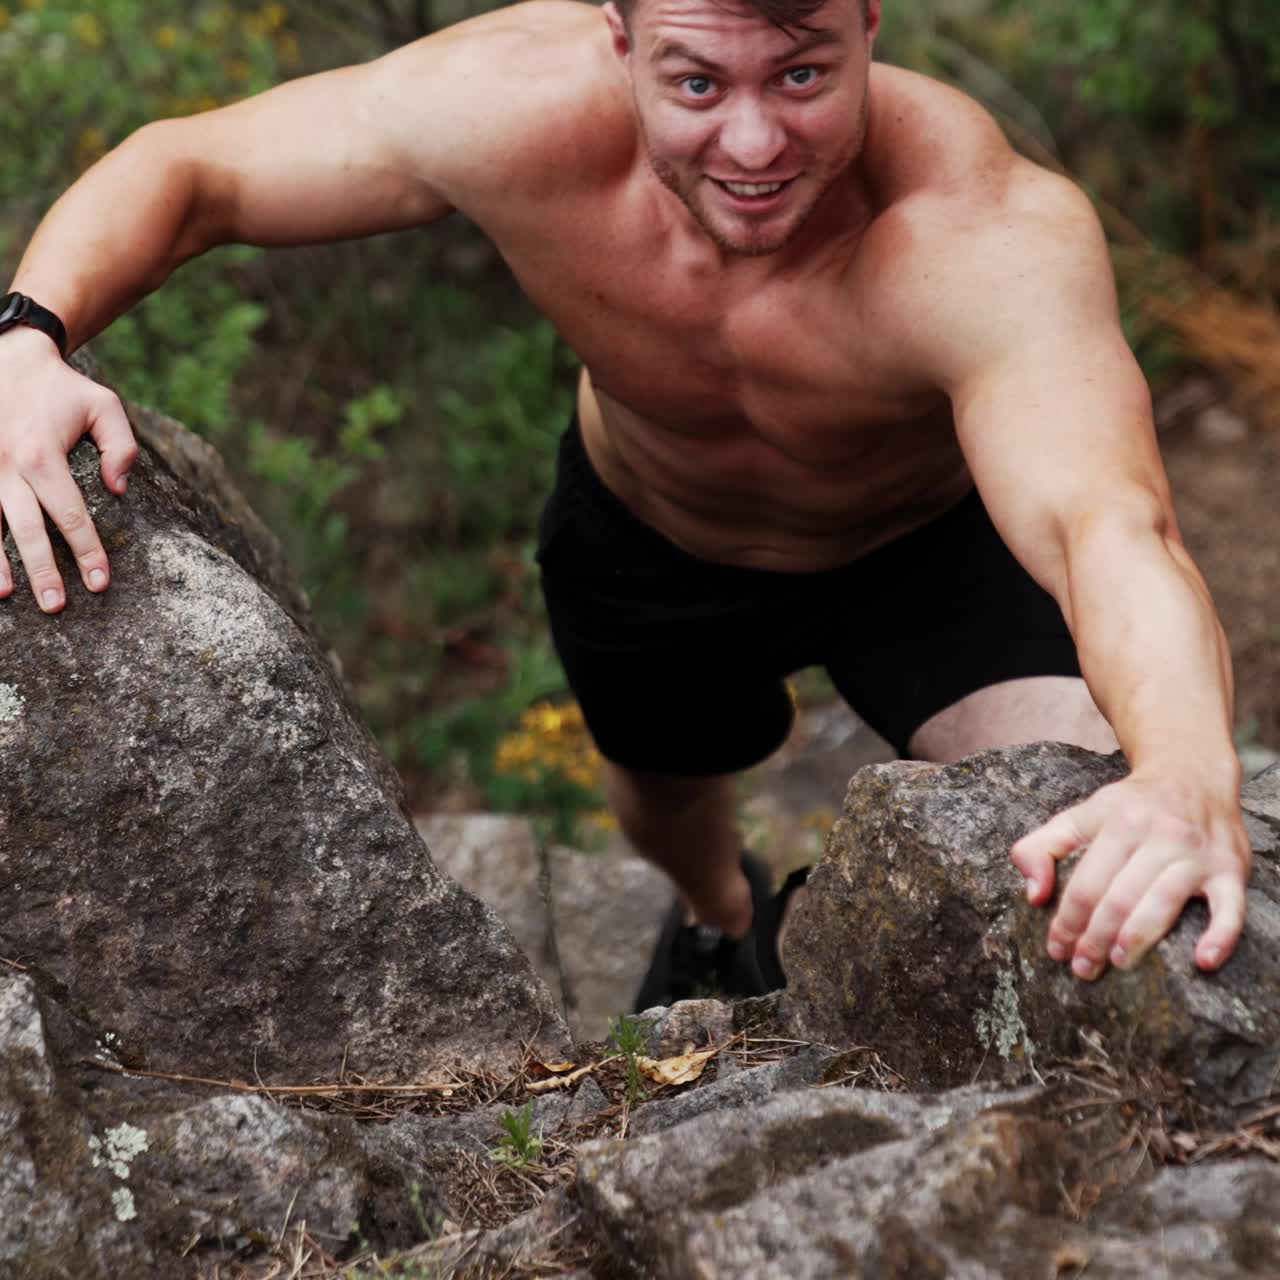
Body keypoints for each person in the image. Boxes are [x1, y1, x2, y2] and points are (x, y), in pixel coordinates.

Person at [0, 0, 1251, 1006]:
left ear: (869, 22)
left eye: (802, 77)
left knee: (1090, 817)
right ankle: (720, 917)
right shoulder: (512, 104)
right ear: (618, 35)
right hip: (652, 536)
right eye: (697, 83)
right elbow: (196, 168)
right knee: (658, 799)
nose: (753, 144)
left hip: (922, 550)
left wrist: (1186, 769)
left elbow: (1107, 527)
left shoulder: (980, 234)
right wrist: (27, 339)